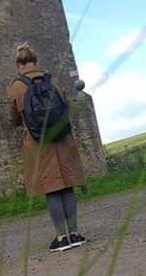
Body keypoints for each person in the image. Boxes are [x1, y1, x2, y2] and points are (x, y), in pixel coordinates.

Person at [8, 43, 88, 252]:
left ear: (19, 65)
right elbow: (65, 104)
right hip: (62, 139)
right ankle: (75, 234)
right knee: (67, 185)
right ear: (36, 62)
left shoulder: (16, 86)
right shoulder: (51, 79)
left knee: (51, 189)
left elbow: (14, 117)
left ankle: (62, 238)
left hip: (38, 144)